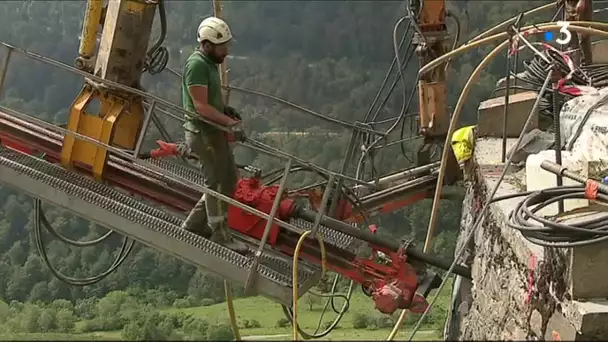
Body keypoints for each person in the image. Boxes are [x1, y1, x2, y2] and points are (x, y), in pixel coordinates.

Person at [179, 16, 248, 254]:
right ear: (207, 45)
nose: (226, 52)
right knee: (217, 182)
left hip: (213, 132)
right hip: (203, 133)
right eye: (222, 47)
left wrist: (224, 111)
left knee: (228, 179)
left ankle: (194, 224)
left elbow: (209, 102)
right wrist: (230, 123)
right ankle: (220, 234)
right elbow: (200, 107)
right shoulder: (197, 64)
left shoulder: (208, 64)